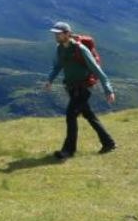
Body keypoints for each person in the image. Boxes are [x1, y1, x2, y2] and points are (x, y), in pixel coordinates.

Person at [42, 20, 116, 159]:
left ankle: (68, 151)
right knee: (89, 115)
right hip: (71, 88)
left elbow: (96, 69)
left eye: (59, 34)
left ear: (67, 34)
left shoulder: (80, 49)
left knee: (71, 116)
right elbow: (58, 66)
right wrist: (50, 80)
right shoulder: (60, 48)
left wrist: (108, 90)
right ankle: (109, 142)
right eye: (55, 34)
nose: (56, 36)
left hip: (83, 88)